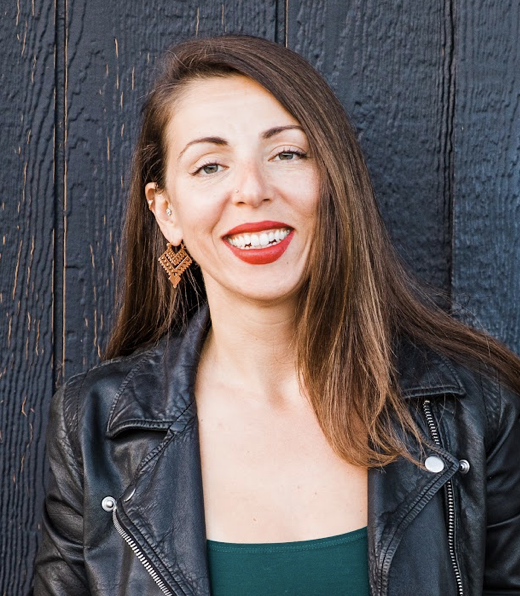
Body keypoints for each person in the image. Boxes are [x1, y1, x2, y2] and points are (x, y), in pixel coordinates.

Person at [33, 35, 520, 596]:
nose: (251, 190)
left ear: (333, 180)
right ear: (167, 212)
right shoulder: (93, 426)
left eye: (287, 154)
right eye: (210, 166)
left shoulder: (474, 409)